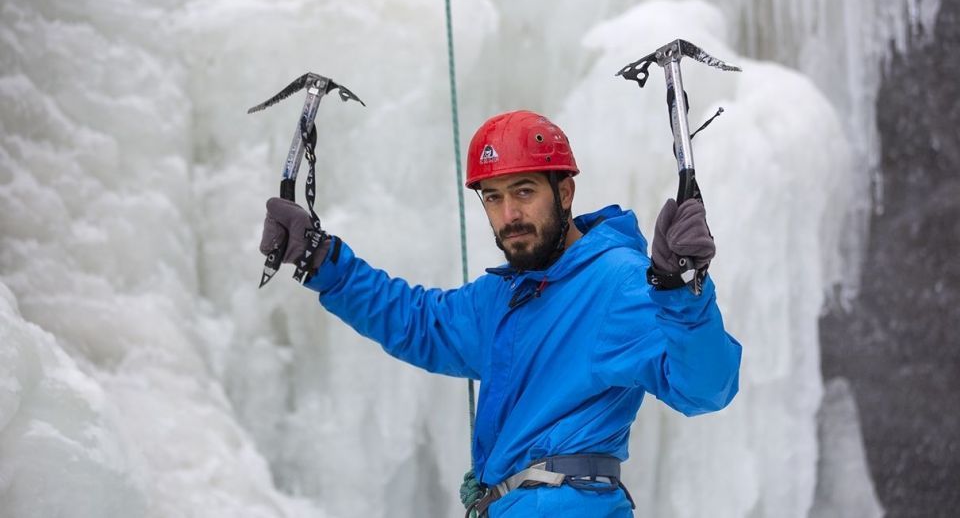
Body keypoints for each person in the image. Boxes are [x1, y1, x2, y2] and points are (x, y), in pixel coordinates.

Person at [260, 110, 742, 517]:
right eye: (493, 197)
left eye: (524, 191)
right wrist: (325, 262)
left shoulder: (617, 281)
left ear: (565, 192)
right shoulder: (503, 295)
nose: (508, 214)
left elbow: (705, 388)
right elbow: (420, 323)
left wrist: (680, 293)